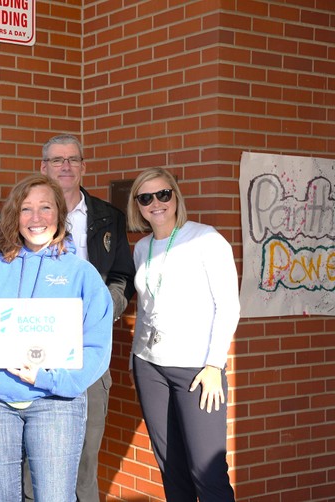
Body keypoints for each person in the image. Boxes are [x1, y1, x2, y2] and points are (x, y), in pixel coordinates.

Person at [0, 134, 135, 501]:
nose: (36, 217)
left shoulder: (83, 273)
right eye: (26, 209)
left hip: (58, 400)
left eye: (45, 209)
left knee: (65, 489)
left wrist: (50, 376)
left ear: (60, 214)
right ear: (14, 215)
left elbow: (97, 344)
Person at [126, 167, 239, 501]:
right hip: (150, 367)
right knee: (171, 470)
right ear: (138, 205)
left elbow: (228, 306)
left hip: (196, 370)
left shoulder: (206, 239)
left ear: (175, 196)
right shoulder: (142, 247)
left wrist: (214, 365)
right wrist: (136, 362)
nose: (156, 203)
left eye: (163, 194)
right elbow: (146, 309)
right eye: (146, 198)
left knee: (208, 473)